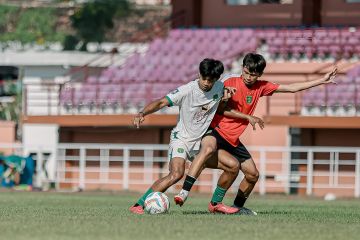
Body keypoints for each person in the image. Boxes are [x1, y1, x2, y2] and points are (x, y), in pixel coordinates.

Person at [174, 53, 337, 215]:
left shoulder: (261, 87)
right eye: (246, 72)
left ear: (259, 75)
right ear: (242, 68)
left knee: (253, 174)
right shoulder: (229, 82)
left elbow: (291, 88)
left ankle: (237, 208)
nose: (249, 77)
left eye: (253, 74)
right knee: (215, 155)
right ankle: (188, 192)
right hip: (216, 131)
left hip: (233, 139)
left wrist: (321, 80)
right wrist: (240, 111)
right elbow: (219, 109)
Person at [129, 58, 241, 214]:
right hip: (181, 139)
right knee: (176, 174)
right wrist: (143, 113)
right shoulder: (187, 90)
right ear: (198, 74)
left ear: (217, 79)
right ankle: (138, 205)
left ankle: (215, 204)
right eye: (204, 78)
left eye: (211, 80)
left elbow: (221, 108)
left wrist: (225, 100)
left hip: (200, 144)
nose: (207, 83)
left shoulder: (220, 87)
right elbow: (162, 102)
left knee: (233, 166)